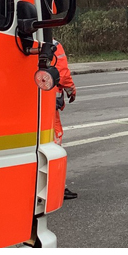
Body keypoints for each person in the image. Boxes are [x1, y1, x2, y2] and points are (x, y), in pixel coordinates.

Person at [53, 39, 78, 200]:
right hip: (47, 102)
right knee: (54, 142)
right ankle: (56, 187)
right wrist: (71, 90)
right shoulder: (53, 44)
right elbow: (62, 74)